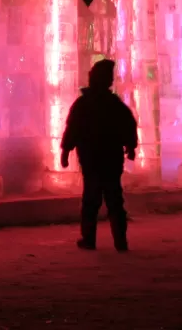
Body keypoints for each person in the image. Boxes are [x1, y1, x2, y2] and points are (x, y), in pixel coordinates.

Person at [60, 59, 139, 252]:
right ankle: (120, 240)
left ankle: (89, 238)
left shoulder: (83, 105)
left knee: (91, 200)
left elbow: (73, 129)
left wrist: (66, 150)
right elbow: (128, 126)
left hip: (91, 159)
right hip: (111, 160)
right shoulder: (115, 105)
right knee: (114, 200)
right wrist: (130, 147)